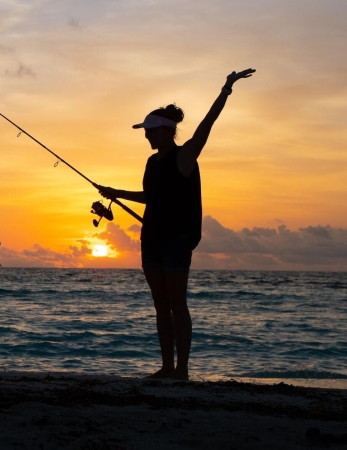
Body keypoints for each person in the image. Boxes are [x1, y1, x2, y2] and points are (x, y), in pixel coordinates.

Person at [96, 69, 255, 380]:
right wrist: (117, 193)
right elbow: (150, 197)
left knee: (177, 303)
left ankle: (181, 369)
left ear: (167, 131)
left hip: (177, 240)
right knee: (160, 304)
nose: (146, 135)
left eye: (151, 131)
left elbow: (206, 126)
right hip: (151, 237)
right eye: (146, 131)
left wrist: (226, 89)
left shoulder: (185, 157)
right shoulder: (151, 162)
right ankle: (167, 367)